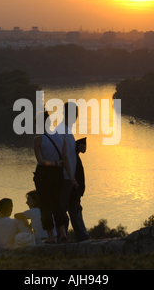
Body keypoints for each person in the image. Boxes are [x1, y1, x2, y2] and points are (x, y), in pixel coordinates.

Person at [33, 110, 77, 243]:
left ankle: (51, 236)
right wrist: (71, 177)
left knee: (45, 204)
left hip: (43, 174)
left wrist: (53, 163)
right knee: (56, 203)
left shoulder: (38, 139)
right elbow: (66, 159)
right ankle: (62, 233)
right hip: (58, 175)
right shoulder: (61, 138)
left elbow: (41, 160)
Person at [56, 102, 91, 242]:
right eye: (74, 114)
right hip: (65, 178)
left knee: (74, 206)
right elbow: (60, 155)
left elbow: (68, 153)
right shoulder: (61, 131)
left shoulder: (66, 131)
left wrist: (77, 148)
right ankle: (62, 237)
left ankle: (81, 236)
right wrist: (70, 177)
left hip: (70, 178)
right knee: (65, 208)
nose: (75, 117)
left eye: (76, 114)